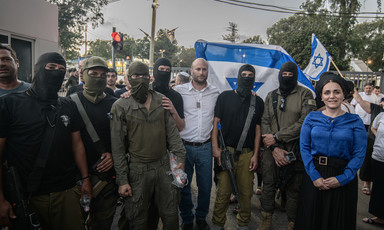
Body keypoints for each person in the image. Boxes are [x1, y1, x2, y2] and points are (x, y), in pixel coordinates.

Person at [0, 52, 91, 229]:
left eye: (61, 69)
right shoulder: (9, 104)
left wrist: (86, 178)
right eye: (51, 68)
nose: (56, 72)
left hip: (66, 191)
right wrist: (0, 199)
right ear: (39, 69)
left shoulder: (68, 105)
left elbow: (77, 144)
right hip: (28, 196)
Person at [111, 61, 186, 230]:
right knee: (138, 217)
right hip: (138, 169)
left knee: (171, 214)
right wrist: (123, 180)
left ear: (150, 77)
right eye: (136, 76)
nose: (141, 79)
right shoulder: (121, 106)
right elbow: (117, 147)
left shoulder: (161, 100)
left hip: (163, 166)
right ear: (128, 78)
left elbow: (173, 133)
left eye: (144, 76)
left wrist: (180, 157)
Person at [295, 72, 367, 230]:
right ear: (321, 95)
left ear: (343, 94)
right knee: (311, 221)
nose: (332, 96)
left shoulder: (355, 121)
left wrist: (343, 178)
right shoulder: (311, 118)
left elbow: (359, 154)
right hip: (315, 176)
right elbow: (304, 148)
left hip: (343, 178)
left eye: (336, 92)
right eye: (327, 92)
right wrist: (314, 176)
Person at [258, 61, 316, 230]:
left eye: (291, 75)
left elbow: (305, 122)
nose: (287, 77)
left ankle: (292, 222)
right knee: (268, 184)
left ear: (296, 76)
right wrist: (273, 147)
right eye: (284, 74)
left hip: (295, 149)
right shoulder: (271, 95)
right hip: (272, 150)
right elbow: (265, 120)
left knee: (294, 188)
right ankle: (266, 219)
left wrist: (277, 136)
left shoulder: (305, 95)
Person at [211, 64, 264, 230]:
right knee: (223, 192)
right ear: (238, 77)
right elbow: (215, 123)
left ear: (254, 79)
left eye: (250, 75)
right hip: (226, 153)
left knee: (246, 192)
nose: (247, 77)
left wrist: (255, 155)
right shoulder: (224, 97)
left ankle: (243, 223)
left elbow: (257, 130)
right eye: (244, 74)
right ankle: (217, 224)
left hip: (247, 154)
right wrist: (215, 148)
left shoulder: (258, 102)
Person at [71, 56, 118, 229]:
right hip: (76, 177)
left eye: (102, 74)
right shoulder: (71, 102)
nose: (98, 77)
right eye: (93, 73)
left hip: (106, 179)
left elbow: (125, 138)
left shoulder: (115, 104)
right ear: (83, 75)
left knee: (103, 223)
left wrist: (114, 155)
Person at [175, 58, 220, 230]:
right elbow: (156, 94)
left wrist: (252, 93)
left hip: (205, 147)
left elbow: (234, 97)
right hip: (183, 147)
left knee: (206, 187)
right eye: (198, 69)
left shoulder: (215, 92)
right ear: (191, 71)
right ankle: (186, 219)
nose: (201, 72)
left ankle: (201, 217)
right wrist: (127, 92)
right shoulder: (178, 91)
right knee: (182, 186)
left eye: (204, 69)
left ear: (207, 71)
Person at [352, 89, 384, 195]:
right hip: (372, 141)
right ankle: (366, 184)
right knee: (368, 164)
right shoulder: (376, 108)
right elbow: (360, 101)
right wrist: (353, 90)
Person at [362, 111, 384, 226]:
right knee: (379, 188)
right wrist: (379, 138)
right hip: (378, 156)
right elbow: (373, 128)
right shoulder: (381, 116)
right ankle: (380, 217)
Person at [152, 57, 185, 131]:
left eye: (167, 70)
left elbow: (181, 127)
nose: (164, 72)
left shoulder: (176, 96)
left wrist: (173, 111)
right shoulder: (146, 92)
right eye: (161, 69)